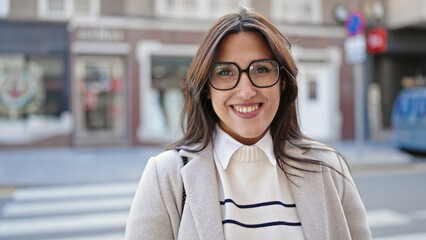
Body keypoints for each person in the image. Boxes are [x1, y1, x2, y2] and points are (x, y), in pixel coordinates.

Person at [125, 8, 372, 240]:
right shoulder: (166, 176)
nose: (246, 91)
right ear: (207, 89)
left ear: (283, 82)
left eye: (261, 69)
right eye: (225, 72)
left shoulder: (328, 166)